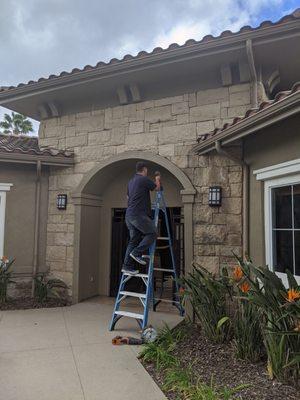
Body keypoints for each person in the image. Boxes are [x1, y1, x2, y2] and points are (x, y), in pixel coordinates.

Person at [122, 162, 161, 275]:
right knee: (152, 233)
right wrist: (157, 178)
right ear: (144, 169)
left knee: (134, 240)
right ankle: (137, 253)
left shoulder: (130, 182)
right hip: (138, 215)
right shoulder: (143, 179)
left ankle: (127, 266)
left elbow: (128, 197)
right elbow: (157, 188)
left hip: (129, 215)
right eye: (146, 170)